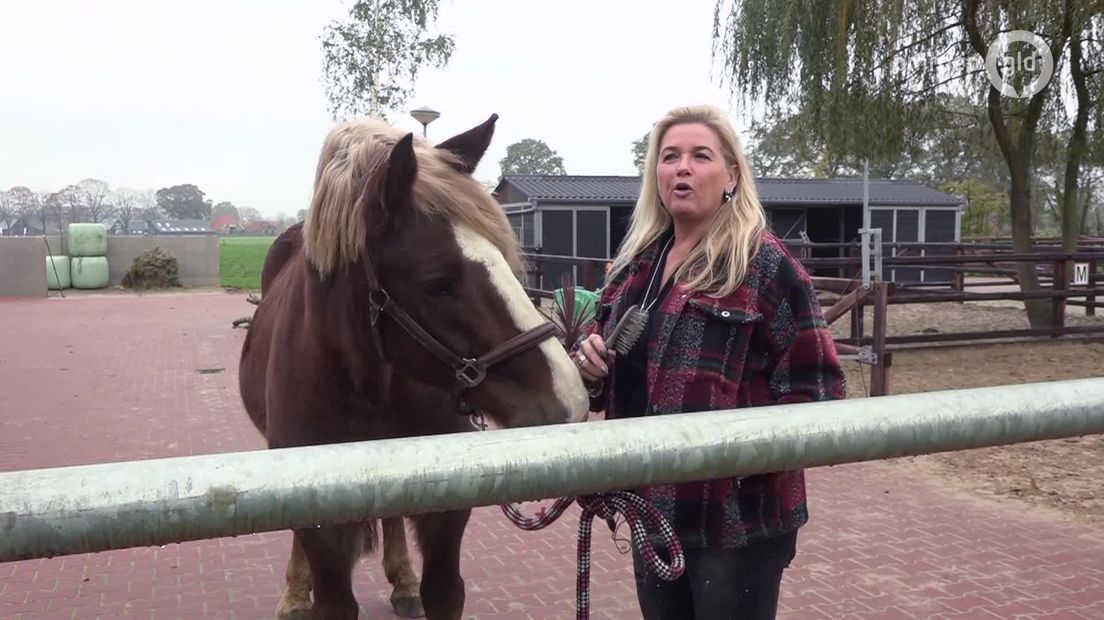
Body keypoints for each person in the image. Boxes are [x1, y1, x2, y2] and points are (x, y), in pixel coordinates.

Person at [573, 104, 846, 619]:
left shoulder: (766, 267)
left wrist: (741, 460)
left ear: (732, 176)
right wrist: (587, 365)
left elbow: (819, 390)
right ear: (655, 175)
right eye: (670, 156)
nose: (682, 168)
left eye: (701, 156)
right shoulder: (635, 269)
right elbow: (605, 371)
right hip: (650, 508)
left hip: (735, 523)